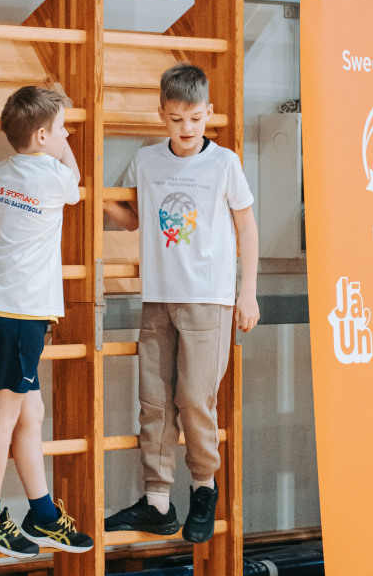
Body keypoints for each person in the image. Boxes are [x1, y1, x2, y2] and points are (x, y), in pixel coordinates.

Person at [104, 64, 259, 544]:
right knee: (153, 399)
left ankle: (203, 487)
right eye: (176, 120)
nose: (186, 128)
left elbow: (247, 227)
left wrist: (247, 292)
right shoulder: (147, 161)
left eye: (194, 118)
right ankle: (157, 501)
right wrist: (97, 197)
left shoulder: (224, 163)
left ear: (208, 112)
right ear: (161, 115)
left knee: (194, 398)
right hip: (158, 297)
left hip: (209, 300)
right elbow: (133, 219)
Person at [0, 85, 94, 558]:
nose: (68, 135)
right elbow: (75, 177)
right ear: (42, 136)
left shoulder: (2, 170)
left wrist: (8, 204)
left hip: (3, 310)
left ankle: (43, 514)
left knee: (30, 413)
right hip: (19, 314)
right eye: (62, 129)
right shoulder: (54, 177)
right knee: (2, 414)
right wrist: (60, 151)